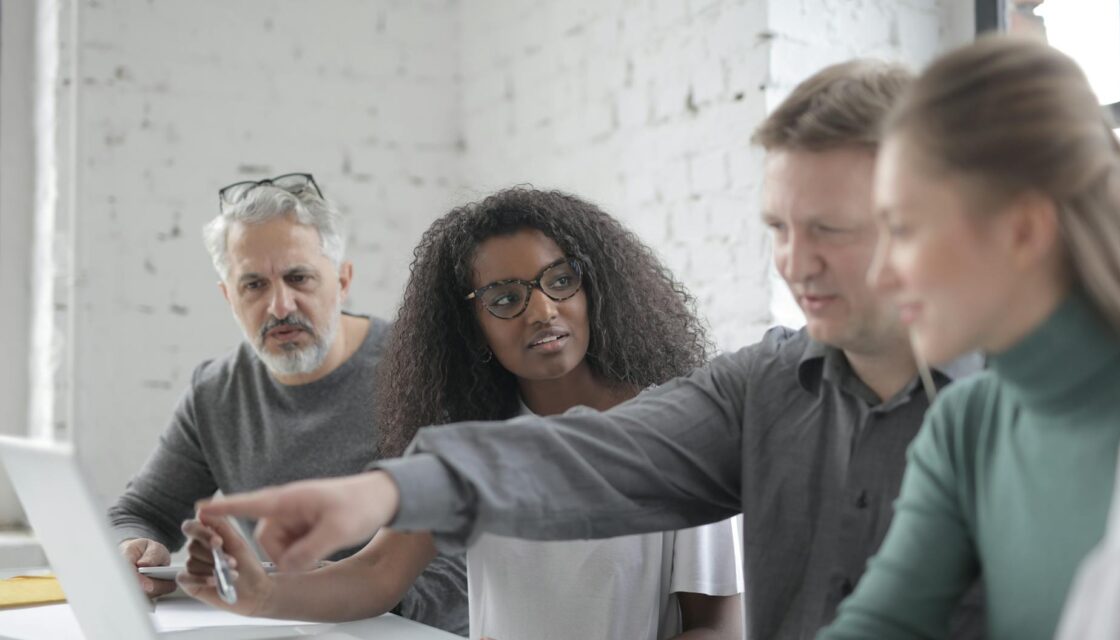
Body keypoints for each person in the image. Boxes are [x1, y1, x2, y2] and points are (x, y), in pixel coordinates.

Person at [193, 63, 988, 639]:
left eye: (830, 228)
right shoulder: (762, 387)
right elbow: (593, 455)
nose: (792, 262)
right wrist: (376, 497)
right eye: (778, 228)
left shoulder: (1018, 408)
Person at [180, 187, 743, 639]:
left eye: (561, 280)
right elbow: (378, 574)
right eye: (504, 299)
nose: (543, 311)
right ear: (470, 326)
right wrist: (260, 594)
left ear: (595, 284)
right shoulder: (467, 446)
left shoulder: (675, 433)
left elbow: (717, 624)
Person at [815, 35, 1120, 638]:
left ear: (1023, 230)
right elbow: (881, 624)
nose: (881, 273)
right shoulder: (967, 426)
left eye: (904, 229)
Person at [108, 173, 467, 634]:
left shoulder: (422, 372)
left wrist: (350, 596)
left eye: (299, 278)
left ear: (342, 280)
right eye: (253, 285)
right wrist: (136, 547)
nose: (280, 306)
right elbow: (141, 512)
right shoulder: (215, 393)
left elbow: (469, 547)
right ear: (228, 297)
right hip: (290, 626)